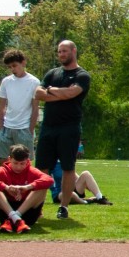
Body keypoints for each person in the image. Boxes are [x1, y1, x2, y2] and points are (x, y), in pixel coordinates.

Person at [34, 40, 90, 219]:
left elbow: (72, 93)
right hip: (48, 127)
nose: (61, 54)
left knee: (68, 168)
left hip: (69, 128)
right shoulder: (52, 73)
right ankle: (37, 207)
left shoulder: (82, 75)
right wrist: (61, 93)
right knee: (42, 169)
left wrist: (50, 90)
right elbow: (38, 93)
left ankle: (64, 207)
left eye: (65, 51)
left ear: (74, 51)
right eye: (59, 51)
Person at [0, 144, 54, 233]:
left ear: (27, 161)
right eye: (15, 163)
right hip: (7, 211)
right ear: (9, 159)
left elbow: (49, 180)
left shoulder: (31, 171)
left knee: (42, 187)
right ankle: (16, 218)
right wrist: (6, 187)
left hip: (27, 212)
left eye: (22, 163)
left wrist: (27, 187)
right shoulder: (3, 170)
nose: (19, 167)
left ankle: (15, 217)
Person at [0, 48, 40, 159]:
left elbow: (35, 108)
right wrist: (1, 127)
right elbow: (1, 106)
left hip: (24, 127)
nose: (12, 69)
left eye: (14, 65)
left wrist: (30, 130)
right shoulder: (6, 81)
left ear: (23, 63)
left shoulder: (34, 82)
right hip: (6, 127)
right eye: (9, 67)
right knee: (3, 161)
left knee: (23, 162)